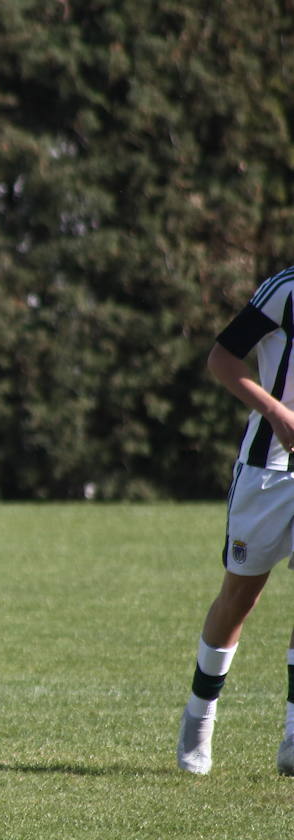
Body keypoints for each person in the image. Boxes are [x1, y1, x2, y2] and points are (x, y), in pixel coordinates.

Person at [176, 265, 294, 777]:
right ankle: (199, 718)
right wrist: (277, 413)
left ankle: (293, 736)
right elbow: (222, 358)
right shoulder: (285, 289)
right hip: (267, 473)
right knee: (239, 599)